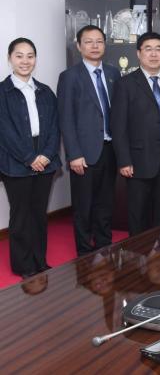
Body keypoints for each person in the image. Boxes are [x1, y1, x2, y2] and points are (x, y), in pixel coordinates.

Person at [0, 38, 62, 278]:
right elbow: (4, 132)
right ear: (10, 59)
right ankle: (23, 265)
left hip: (44, 159)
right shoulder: (2, 92)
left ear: (35, 59)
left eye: (30, 56)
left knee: (38, 213)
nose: (25, 61)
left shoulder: (45, 91)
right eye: (19, 56)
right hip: (15, 160)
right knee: (21, 214)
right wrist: (29, 157)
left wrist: (46, 155)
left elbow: (55, 127)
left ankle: (39, 260)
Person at [57, 25, 120, 256]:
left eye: (99, 42)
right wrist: (73, 154)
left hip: (110, 149)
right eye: (89, 42)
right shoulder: (69, 77)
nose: (94, 46)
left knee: (105, 204)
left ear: (105, 45)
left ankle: (104, 245)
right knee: (83, 207)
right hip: (84, 153)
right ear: (79, 46)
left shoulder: (113, 73)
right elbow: (66, 118)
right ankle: (84, 252)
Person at [111, 32, 160, 236]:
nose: (153, 54)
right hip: (138, 161)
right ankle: (138, 260)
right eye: (148, 49)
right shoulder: (125, 84)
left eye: (158, 49)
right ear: (138, 54)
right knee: (137, 214)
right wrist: (124, 160)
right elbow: (118, 126)